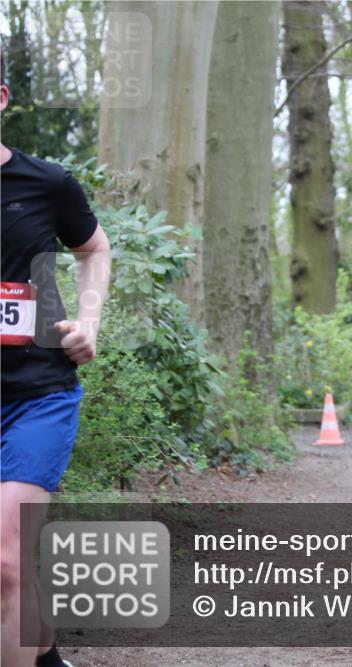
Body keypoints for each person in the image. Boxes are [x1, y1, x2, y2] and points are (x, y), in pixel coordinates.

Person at [1, 53, 111, 667]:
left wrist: (89, 321)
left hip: (37, 392)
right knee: (11, 562)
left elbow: (94, 250)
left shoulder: (45, 183)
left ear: (1, 98)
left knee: (6, 557)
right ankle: (45, 657)